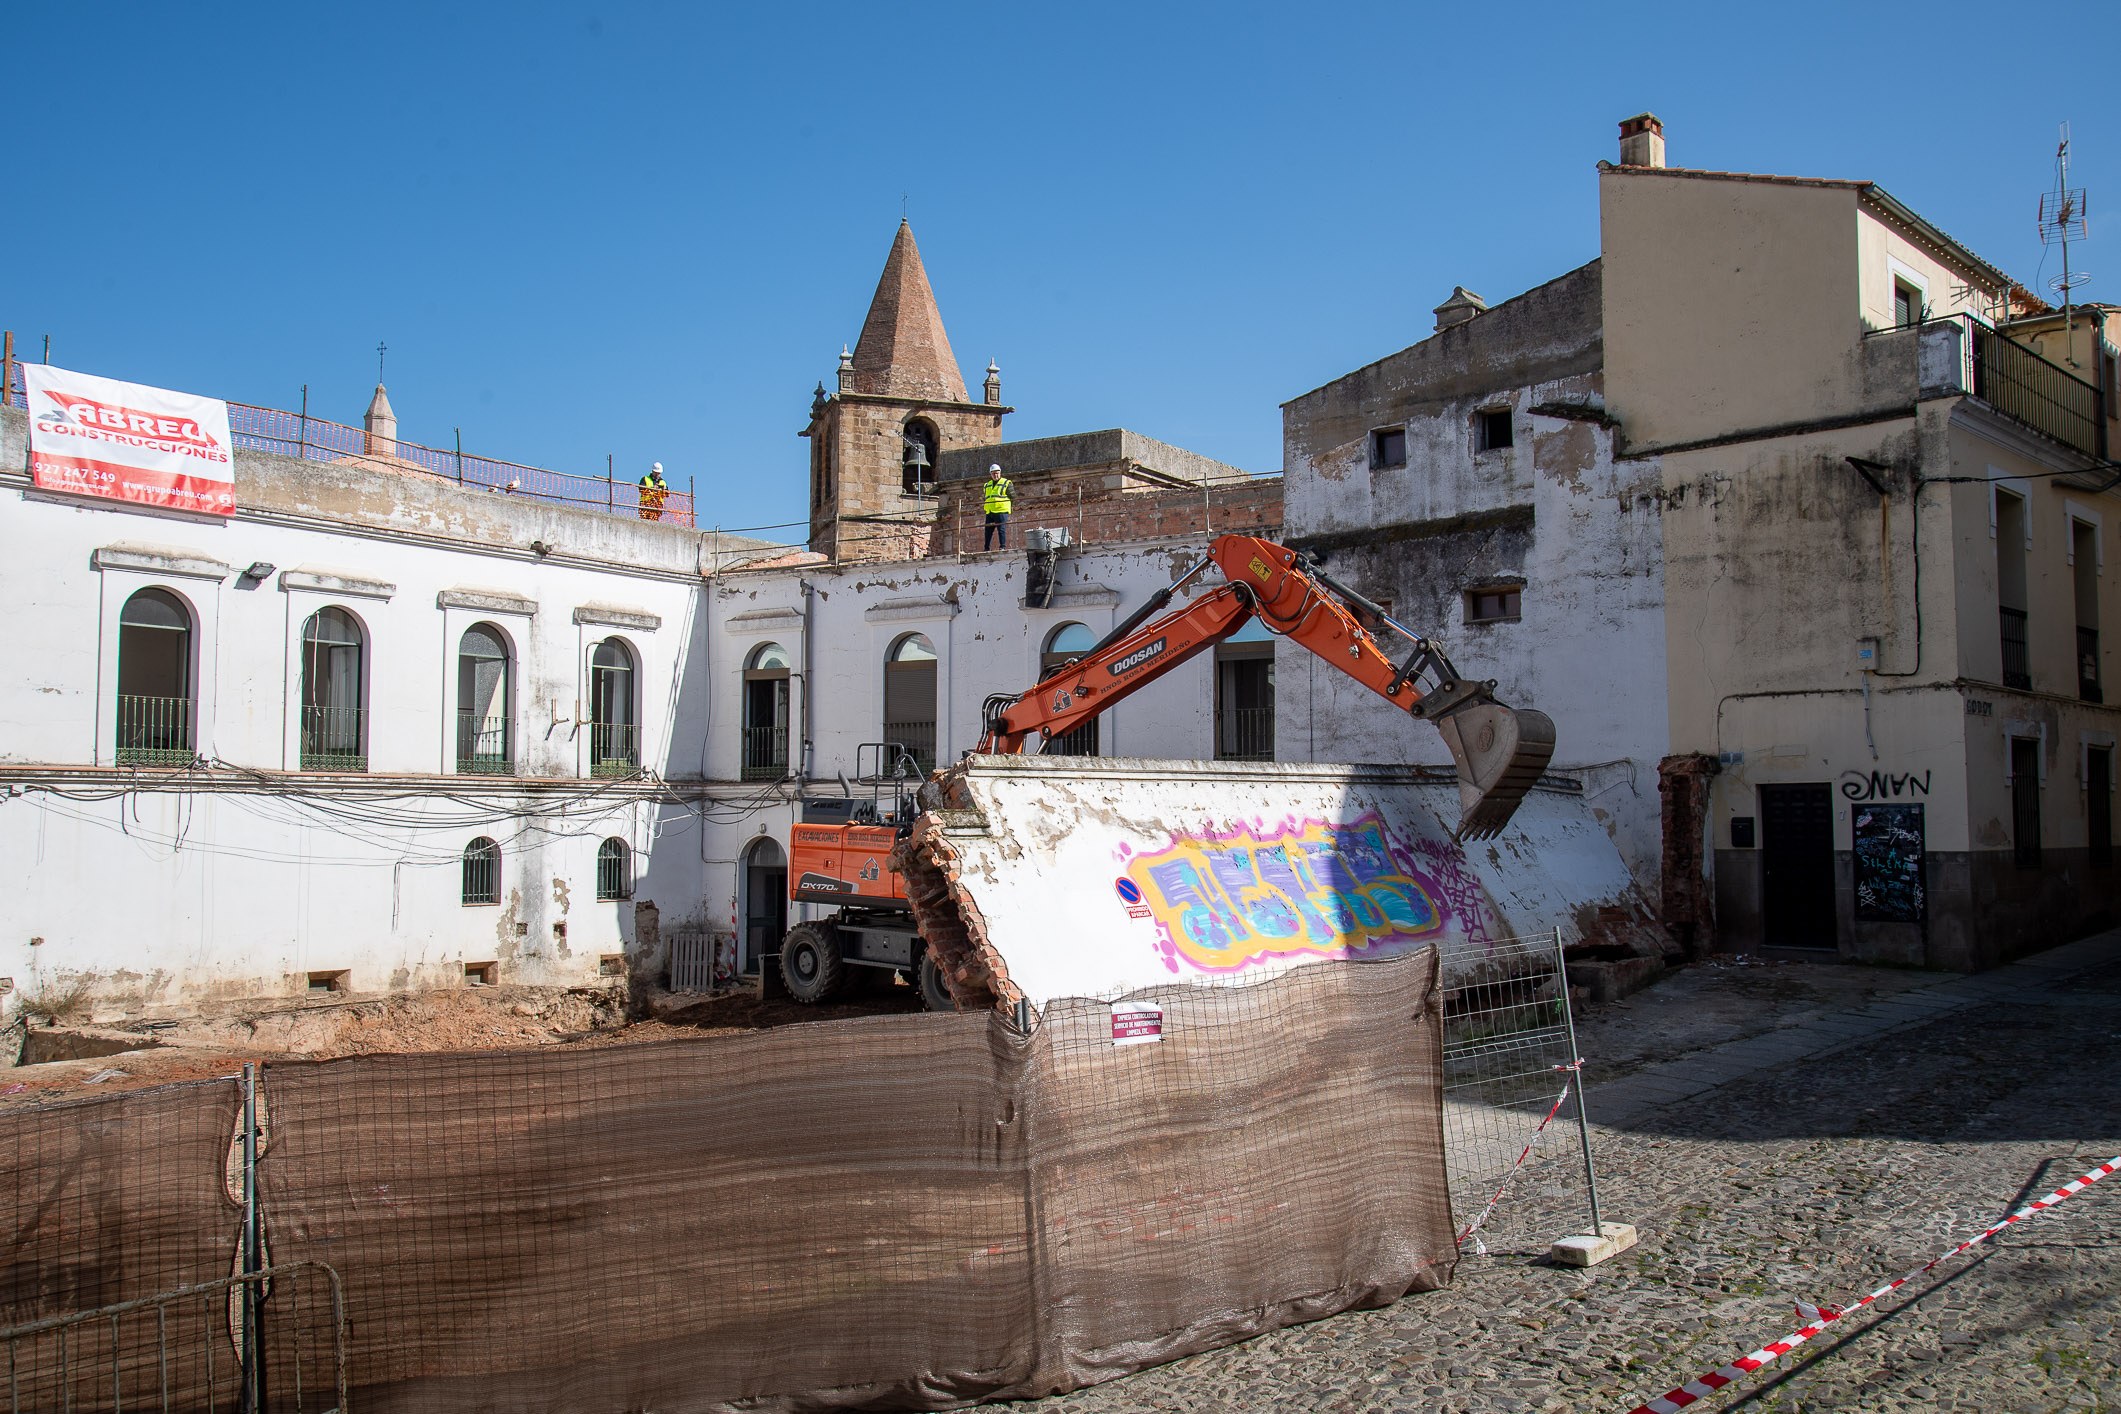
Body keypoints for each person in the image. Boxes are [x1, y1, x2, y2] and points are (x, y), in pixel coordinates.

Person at [982, 464, 1013, 550]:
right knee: (988, 531)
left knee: (1001, 530)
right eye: (993, 473)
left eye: (997, 473)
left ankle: (1002, 547)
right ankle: (986, 548)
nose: (995, 475)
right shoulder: (987, 485)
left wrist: (1008, 507)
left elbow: (1012, 496)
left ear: (1000, 473)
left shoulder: (1006, 483)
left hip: (1001, 510)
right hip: (990, 511)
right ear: (990, 474)